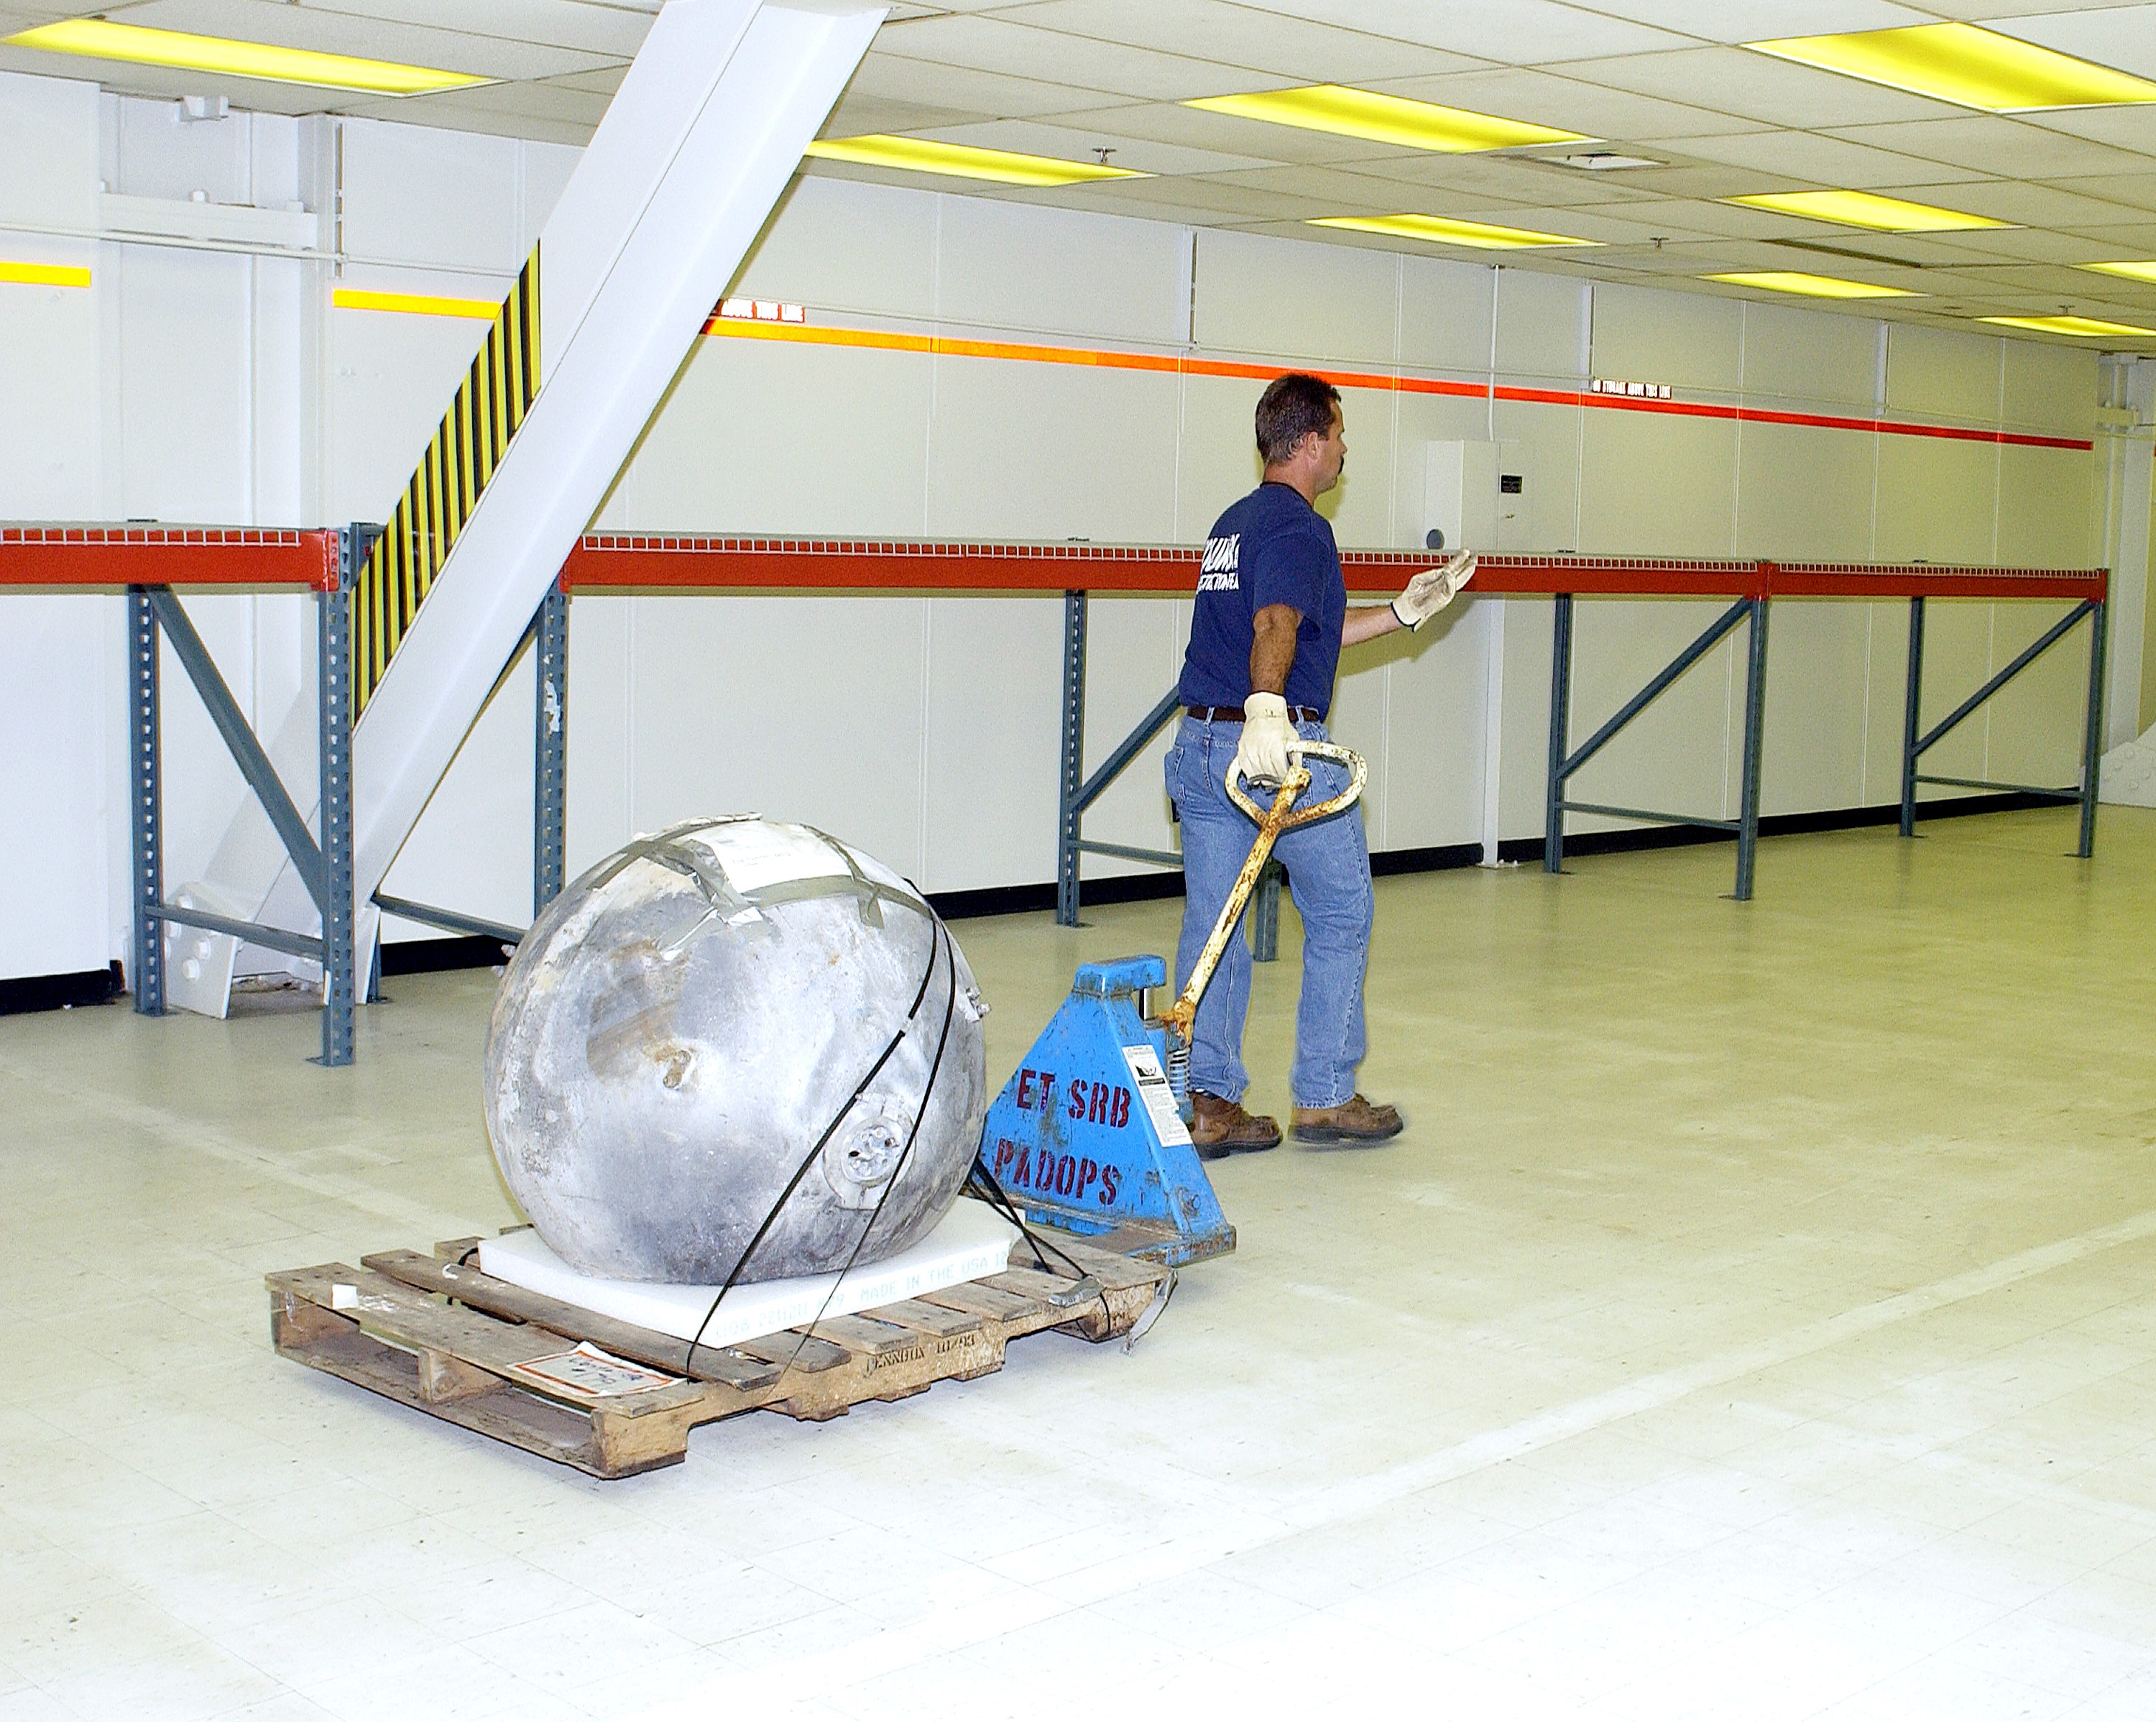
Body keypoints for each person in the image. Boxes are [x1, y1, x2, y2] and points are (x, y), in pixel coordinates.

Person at [1166, 372, 1474, 1158]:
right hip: (1277, 751)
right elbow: (1275, 623)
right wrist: (1268, 710)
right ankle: (1327, 1095)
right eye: (1338, 436)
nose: (1343, 451)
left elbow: (1300, 628)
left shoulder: (1235, 523)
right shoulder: (1301, 528)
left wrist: (1402, 613)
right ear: (1308, 443)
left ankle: (1208, 1103)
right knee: (1340, 912)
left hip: (1203, 746)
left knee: (1215, 926)